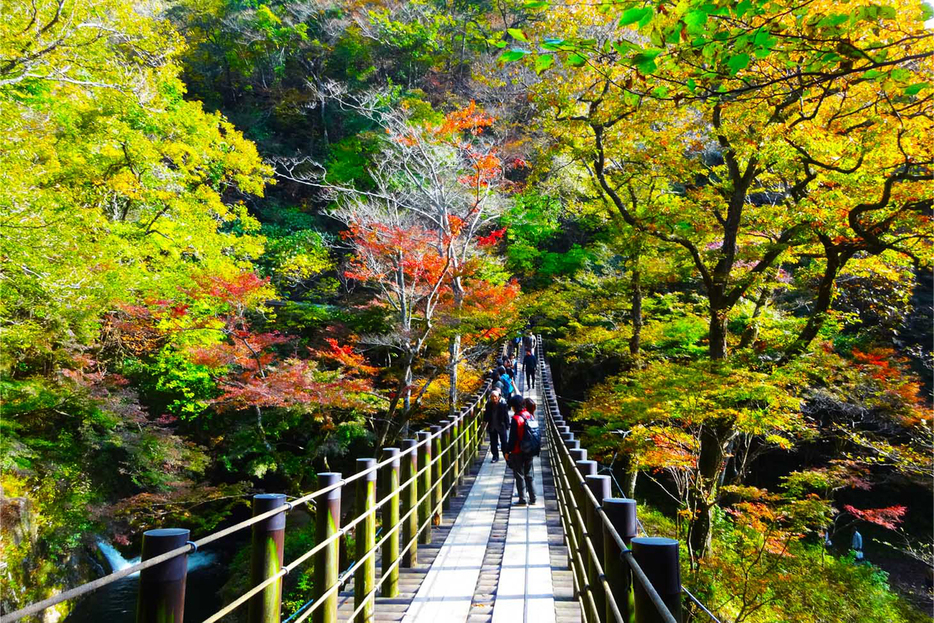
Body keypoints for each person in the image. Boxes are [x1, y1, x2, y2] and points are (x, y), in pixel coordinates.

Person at [505, 395, 536, 506]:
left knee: (519, 475)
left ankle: (522, 499)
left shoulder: (516, 419)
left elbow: (512, 438)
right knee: (529, 474)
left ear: (514, 406)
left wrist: (507, 451)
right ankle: (533, 498)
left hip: (518, 450)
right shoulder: (530, 415)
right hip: (530, 449)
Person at [484, 389, 509, 463]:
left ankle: (505, 454)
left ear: (498, 397)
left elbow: (506, 416)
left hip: (501, 426)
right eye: (492, 397)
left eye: (495, 396)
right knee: (493, 442)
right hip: (492, 426)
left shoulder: (503, 406)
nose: (493, 398)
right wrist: (485, 421)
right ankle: (495, 456)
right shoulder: (488, 405)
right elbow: (486, 415)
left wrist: (507, 426)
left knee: (504, 441)